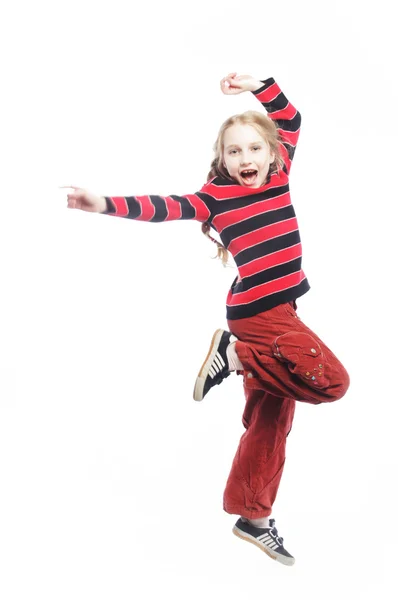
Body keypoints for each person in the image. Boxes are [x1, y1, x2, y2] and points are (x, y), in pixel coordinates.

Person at [63, 73, 350, 566]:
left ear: (272, 154)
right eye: (234, 152)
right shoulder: (215, 199)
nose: (246, 160)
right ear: (223, 160)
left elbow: (291, 119)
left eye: (254, 149)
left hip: (282, 311)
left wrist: (260, 84)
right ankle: (235, 356)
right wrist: (101, 204)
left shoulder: (280, 176)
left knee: (270, 420)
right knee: (333, 383)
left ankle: (253, 517)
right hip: (259, 318)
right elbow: (163, 207)